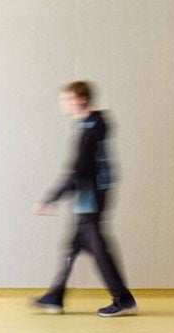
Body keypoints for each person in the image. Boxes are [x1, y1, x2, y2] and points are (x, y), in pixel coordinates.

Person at [31, 81, 138, 318]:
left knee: (98, 249)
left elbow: (79, 168)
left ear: (80, 99)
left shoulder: (92, 126)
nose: (63, 104)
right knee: (73, 245)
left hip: (91, 195)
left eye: (66, 99)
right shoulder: (87, 124)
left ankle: (123, 299)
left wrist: (53, 197)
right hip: (87, 193)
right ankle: (56, 296)